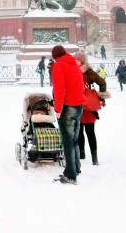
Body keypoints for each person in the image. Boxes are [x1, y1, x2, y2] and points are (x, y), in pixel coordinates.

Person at [50, 45, 84, 184]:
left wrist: (57, 109)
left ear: (55, 57)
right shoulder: (74, 64)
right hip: (78, 106)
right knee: (74, 139)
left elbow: (59, 89)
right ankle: (75, 169)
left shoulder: (59, 66)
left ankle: (70, 175)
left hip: (68, 107)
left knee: (67, 141)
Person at [75, 51, 107, 168]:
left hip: (88, 107)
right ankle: (81, 154)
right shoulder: (74, 71)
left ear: (83, 61)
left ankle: (94, 157)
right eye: (75, 60)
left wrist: (101, 97)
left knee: (90, 132)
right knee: (79, 132)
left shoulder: (89, 72)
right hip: (78, 105)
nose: (76, 62)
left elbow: (102, 82)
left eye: (78, 60)